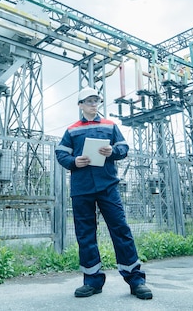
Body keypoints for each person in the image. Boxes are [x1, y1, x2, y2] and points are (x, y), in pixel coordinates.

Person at [55, 87, 153, 300]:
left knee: (121, 229)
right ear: (80, 105)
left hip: (108, 185)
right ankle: (92, 281)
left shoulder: (110, 126)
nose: (93, 104)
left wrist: (112, 152)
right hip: (82, 189)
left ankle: (136, 281)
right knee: (85, 233)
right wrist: (74, 162)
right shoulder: (71, 130)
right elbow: (61, 154)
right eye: (88, 101)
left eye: (95, 100)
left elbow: (123, 148)